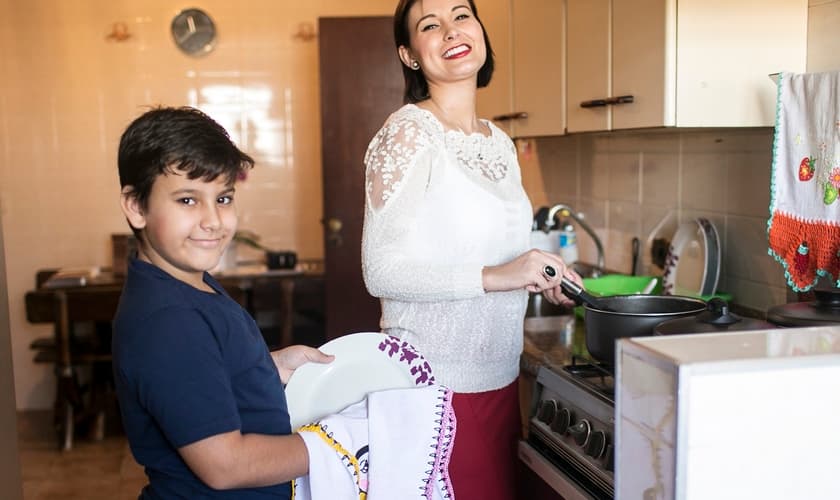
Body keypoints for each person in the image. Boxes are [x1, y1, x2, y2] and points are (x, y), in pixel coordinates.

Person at [361, 0, 583, 498]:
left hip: (498, 378)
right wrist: (501, 274)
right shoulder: (407, 134)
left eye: (461, 15)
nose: (451, 31)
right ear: (410, 54)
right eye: (429, 25)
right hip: (432, 387)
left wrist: (539, 274)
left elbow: (498, 248)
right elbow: (381, 271)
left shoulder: (499, 142)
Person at [112, 106, 333, 499]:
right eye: (187, 200)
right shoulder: (168, 320)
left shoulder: (188, 286)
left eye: (224, 197)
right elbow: (226, 465)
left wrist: (270, 366)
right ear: (136, 206)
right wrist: (343, 444)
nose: (213, 220)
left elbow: (208, 367)